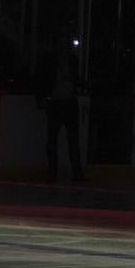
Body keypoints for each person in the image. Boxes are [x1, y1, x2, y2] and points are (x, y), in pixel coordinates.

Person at [35, 35, 86, 183]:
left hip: (69, 103)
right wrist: (42, 98)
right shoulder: (50, 61)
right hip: (56, 103)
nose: (63, 46)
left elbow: (75, 79)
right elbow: (40, 79)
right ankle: (53, 172)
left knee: (72, 140)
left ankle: (76, 173)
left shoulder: (72, 60)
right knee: (53, 140)